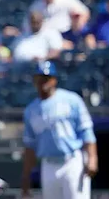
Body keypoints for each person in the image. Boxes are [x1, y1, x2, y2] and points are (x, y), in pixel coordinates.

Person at [21, 61, 98, 199]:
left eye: (46, 78)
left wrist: (92, 158)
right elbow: (29, 146)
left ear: (54, 80)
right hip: (48, 164)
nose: (42, 82)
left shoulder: (71, 100)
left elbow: (86, 130)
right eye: (39, 79)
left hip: (72, 161)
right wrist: (26, 177)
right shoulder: (31, 110)